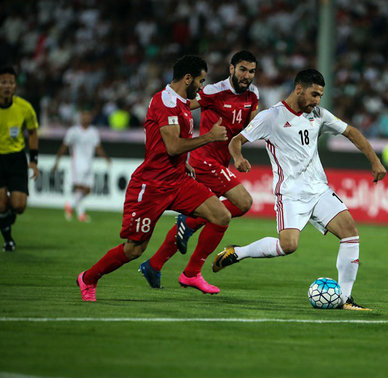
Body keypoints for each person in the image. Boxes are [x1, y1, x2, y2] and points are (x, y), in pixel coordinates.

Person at [215, 69, 387, 311]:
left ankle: (345, 299)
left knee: (350, 233)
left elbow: (351, 132)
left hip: (319, 190)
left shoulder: (319, 114)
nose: (317, 101)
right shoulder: (271, 117)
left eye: (320, 96)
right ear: (298, 89)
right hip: (291, 194)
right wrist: (238, 157)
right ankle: (238, 252)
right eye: (314, 95)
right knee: (289, 246)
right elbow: (236, 140)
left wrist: (375, 161)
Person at [76, 55, 229, 301]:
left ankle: (191, 270)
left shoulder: (180, 102)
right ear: (187, 78)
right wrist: (209, 137)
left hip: (178, 180)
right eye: (200, 81)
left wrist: (185, 163)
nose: (201, 87)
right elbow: (172, 146)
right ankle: (88, 278)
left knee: (221, 215)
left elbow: (176, 143)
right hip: (151, 185)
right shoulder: (166, 102)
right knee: (134, 249)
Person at [139, 50, 259, 291]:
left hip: (219, 162)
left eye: (252, 71)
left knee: (211, 214)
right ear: (232, 68)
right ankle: (191, 270)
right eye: (243, 69)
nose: (248, 75)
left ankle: (154, 264)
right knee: (243, 202)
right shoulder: (214, 91)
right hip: (204, 161)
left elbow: (252, 127)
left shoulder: (253, 94)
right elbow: (184, 104)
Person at [0, 65, 40, 252]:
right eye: (3, 82)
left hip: (16, 159)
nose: (7, 86)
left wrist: (34, 161)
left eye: (10, 82)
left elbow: (32, 132)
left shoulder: (24, 108)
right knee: (1, 204)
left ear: (15, 86)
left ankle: (6, 220)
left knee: (19, 205)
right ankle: (8, 239)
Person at [51, 109, 111, 222]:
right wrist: (57, 162)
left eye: (88, 116)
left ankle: (70, 205)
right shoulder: (73, 131)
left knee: (88, 189)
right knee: (79, 187)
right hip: (77, 163)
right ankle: (80, 214)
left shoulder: (93, 131)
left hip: (89, 163)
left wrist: (106, 158)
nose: (86, 118)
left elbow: (98, 148)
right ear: (80, 117)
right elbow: (64, 146)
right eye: (84, 116)